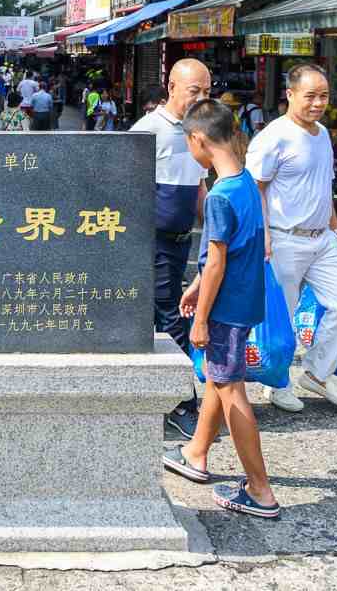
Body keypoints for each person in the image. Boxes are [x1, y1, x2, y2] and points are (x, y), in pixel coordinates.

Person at [163, 99, 279, 520]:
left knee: (231, 389)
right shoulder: (245, 183)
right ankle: (196, 453)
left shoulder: (219, 197)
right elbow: (232, 251)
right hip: (245, 299)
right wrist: (196, 286)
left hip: (226, 307)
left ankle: (260, 490)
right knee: (218, 375)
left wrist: (200, 319)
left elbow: (216, 262)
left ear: (197, 140)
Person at [246, 63, 337, 412]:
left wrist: (336, 227)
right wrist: (262, 236)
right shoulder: (273, 136)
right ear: (290, 94)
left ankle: (317, 374)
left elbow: (322, 186)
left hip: (322, 238)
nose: (317, 103)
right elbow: (255, 189)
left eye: (323, 96)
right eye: (310, 95)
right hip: (284, 239)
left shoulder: (322, 134)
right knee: (284, 317)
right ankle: (278, 384)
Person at [130, 59, 211, 439]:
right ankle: (182, 402)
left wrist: (213, 228)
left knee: (163, 315)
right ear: (172, 87)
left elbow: (197, 188)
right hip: (152, 243)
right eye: (194, 90)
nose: (201, 97)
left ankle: (158, 396)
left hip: (182, 243)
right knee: (172, 315)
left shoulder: (199, 132)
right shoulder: (148, 129)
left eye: (207, 91)